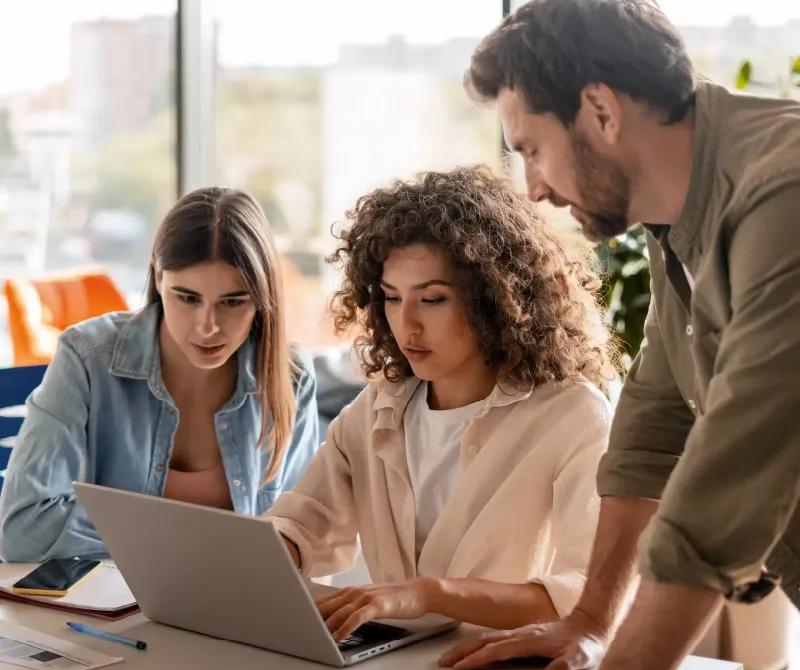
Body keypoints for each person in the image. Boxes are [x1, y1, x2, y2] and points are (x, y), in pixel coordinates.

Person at [439, 0, 800, 670]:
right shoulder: (680, 216)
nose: (531, 189)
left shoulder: (786, 197)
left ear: (599, 110)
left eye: (531, 149)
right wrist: (591, 619)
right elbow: (654, 426)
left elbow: (725, 488)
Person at [266, 165, 615, 640]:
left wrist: (428, 594)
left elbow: (583, 593)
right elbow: (304, 523)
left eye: (432, 300)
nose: (405, 325)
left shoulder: (573, 417)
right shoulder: (378, 408)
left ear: (494, 298)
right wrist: (261, 558)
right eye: (391, 298)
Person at [0, 187, 319, 562]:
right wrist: (191, 544)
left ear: (264, 297)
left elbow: (303, 535)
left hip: (233, 609)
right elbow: (22, 530)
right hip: (111, 604)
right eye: (187, 297)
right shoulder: (87, 359)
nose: (208, 327)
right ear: (157, 276)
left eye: (233, 302)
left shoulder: (291, 376)